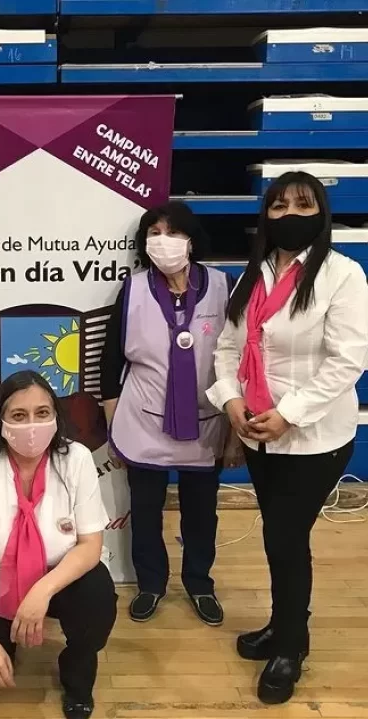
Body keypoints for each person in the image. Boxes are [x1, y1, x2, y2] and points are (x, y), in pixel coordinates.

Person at [207, 171, 368, 705]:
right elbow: (229, 347)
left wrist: (288, 415)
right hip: (257, 432)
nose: (289, 215)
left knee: (285, 537)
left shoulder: (342, 276)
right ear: (266, 216)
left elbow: (345, 362)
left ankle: (290, 648)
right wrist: (231, 400)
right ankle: (283, 626)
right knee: (279, 537)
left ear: (321, 213)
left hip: (314, 438)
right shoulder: (253, 274)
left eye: (302, 205)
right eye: (278, 206)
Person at [0, 370, 117, 719]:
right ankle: (3, 638)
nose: (32, 425)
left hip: (60, 577)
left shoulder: (76, 459)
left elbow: (90, 545)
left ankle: (77, 669)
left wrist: (41, 591)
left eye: (42, 413)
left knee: (98, 596)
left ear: (56, 415)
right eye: (19, 415)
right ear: (1, 421)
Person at [100, 201, 239, 627]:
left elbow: (241, 360)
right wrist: (113, 427)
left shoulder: (223, 287)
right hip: (143, 420)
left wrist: (236, 432)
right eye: (154, 233)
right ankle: (151, 584)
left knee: (202, 511)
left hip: (207, 423)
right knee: (145, 509)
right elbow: (109, 362)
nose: (164, 241)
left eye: (173, 232)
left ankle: (199, 583)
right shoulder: (133, 288)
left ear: (191, 240)